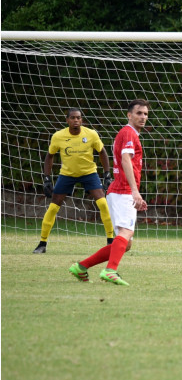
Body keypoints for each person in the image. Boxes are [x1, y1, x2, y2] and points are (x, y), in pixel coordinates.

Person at [68, 99, 150, 286]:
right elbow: (126, 159)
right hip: (123, 191)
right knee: (126, 232)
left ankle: (81, 267)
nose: (143, 117)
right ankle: (110, 270)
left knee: (125, 243)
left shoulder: (129, 133)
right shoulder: (129, 132)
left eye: (145, 114)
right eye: (139, 113)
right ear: (129, 115)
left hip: (119, 191)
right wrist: (135, 192)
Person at [33, 108, 114, 253]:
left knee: (103, 203)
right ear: (67, 120)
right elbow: (49, 156)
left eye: (78, 118)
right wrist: (46, 178)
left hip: (89, 173)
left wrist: (107, 174)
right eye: (73, 118)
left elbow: (102, 152)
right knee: (53, 207)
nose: (76, 120)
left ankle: (110, 241)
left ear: (82, 120)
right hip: (67, 175)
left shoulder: (91, 134)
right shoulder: (58, 136)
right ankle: (42, 244)